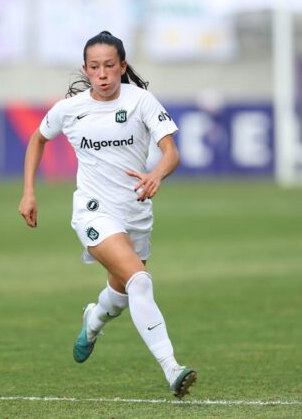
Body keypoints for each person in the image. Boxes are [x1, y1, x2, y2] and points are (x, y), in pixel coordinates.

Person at [18, 31, 197, 398]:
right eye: (95, 67)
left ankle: (94, 319)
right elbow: (38, 139)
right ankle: (172, 368)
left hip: (136, 213)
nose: (102, 74)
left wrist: (156, 174)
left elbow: (171, 152)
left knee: (121, 292)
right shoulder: (70, 109)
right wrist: (29, 192)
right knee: (140, 282)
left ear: (122, 66)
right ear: (85, 69)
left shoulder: (140, 101)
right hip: (93, 212)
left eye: (109, 66)